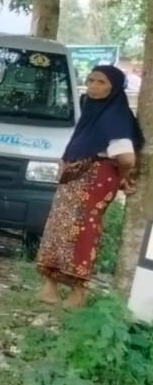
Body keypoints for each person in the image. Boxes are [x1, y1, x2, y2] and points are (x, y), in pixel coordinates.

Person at [35, 65, 143, 308]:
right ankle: (49, 287)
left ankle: (78, 291)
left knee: (83, 230)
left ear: (115, 87)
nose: (93, 86)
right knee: (58, 227)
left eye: (101, 82)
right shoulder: (91, 110)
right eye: (91, 80)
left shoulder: (116, 115)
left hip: (96, 178)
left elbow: (126, 157)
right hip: (74, 177)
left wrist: (123, 177)